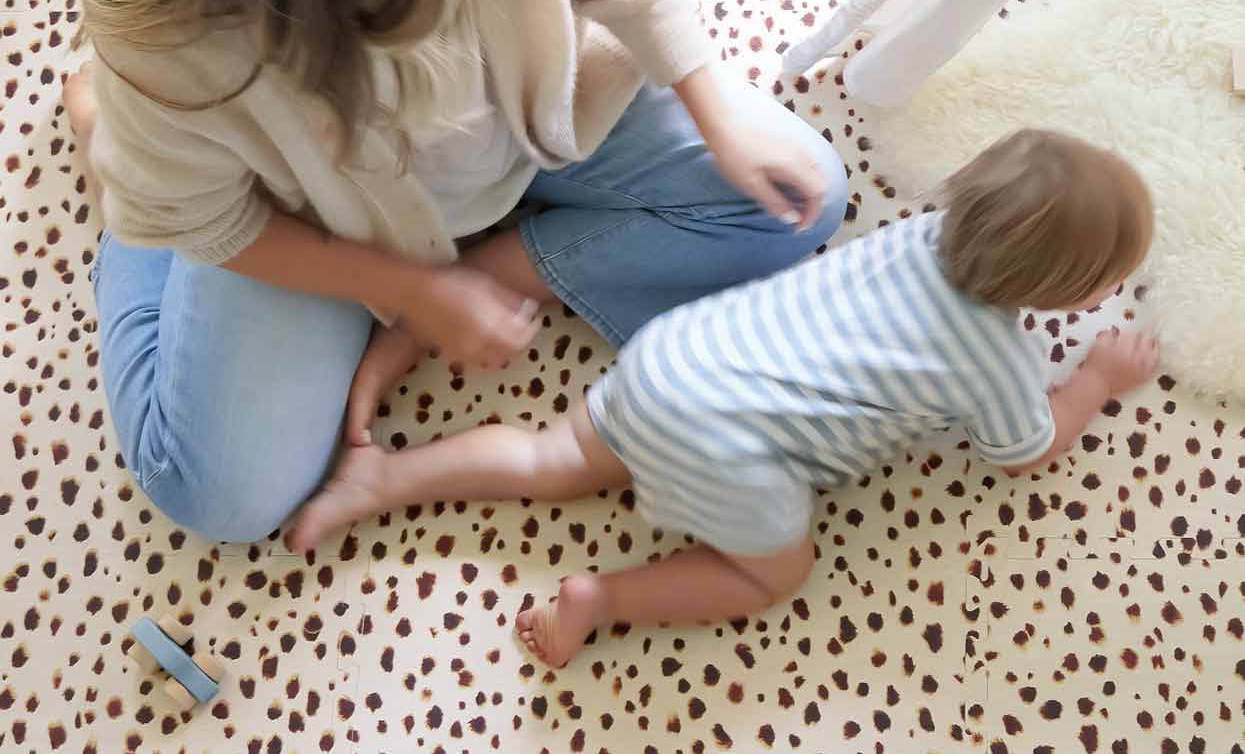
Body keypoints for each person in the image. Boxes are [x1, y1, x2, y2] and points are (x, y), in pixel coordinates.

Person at [64, 0, 847, 543]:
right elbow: (219, 226)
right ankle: (116, 179)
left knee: (801, 198)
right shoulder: (172, 55)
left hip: (527, 123)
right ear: (332, 25)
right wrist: (410, 289)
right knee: (219, 499)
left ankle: (484, 262)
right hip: (309, 214)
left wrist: (713, 111)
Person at [286, 128, 1160, 667]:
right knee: (777, 573)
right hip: (732, 452)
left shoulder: (926, 233)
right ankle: (607, 599)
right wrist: (1094, 381)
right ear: (1070, 297)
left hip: (683, 358)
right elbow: (1029, 448)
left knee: (550, 457)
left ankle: (386, 481)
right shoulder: (998, 366)